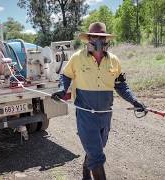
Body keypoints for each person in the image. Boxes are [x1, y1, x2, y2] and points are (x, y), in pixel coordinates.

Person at [51, 22, 146, 180]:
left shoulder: (114, 61)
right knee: (97, 155)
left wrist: (135, 101)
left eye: (102, 38)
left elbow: (121, 85)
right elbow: (66, 76)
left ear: (106, 40)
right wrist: (62, 89)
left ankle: (85, 172)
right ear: (88, 39)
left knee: (98, 147)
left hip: (105, 114)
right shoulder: (77, 58)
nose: (99, 41)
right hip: (86, 113)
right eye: (95, 37)